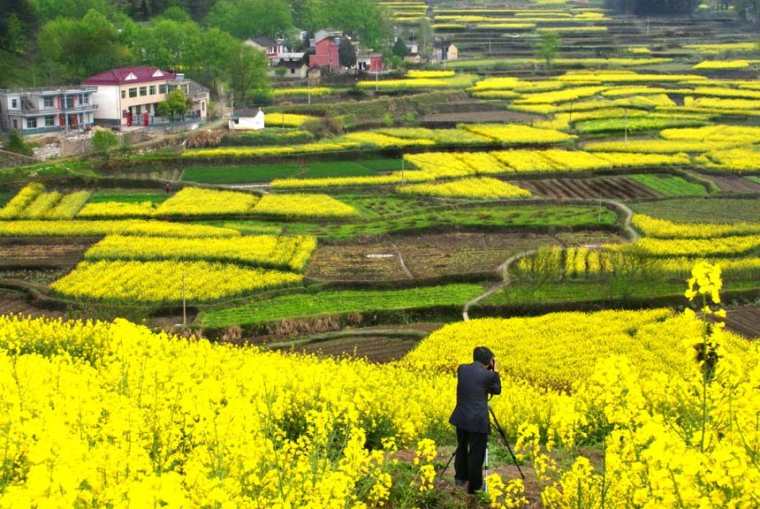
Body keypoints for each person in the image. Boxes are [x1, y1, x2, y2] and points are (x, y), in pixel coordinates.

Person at [449, 346, 501, 494]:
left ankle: (460, 478)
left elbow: (473, 382)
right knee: (476, 453)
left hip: (461, 417)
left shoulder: (462, 369)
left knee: (462, 447)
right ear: (489, 361)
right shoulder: (488, 376)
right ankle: (475, 486)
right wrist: (495, 371)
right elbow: (497, 390)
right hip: (478, 420)